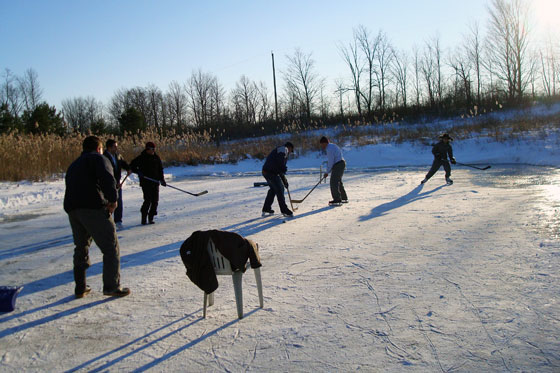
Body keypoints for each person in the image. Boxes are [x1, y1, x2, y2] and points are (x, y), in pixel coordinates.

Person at [64, 136, 131, 298]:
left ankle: (80, 287)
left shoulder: (74, 164)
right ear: (98, 148)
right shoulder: (98, 159)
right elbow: (108, 179)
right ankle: (111, 286)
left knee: (81, 246)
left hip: (73, 209)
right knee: (111, 247)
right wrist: (113, 201)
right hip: (93, 208)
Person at [130, 141, 166, 225]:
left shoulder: (156, 157)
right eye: (151, 149)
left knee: (155, 201)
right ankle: (144, 218)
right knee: (148, 200)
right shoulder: (141, 157)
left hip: (155, 182)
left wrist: (162, 179)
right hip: (146, 183)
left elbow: (160, 170)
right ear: (147, 149)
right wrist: (138, 172)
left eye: (154, 149)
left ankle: (151, 217)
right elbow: (132, 165)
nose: (153, 150)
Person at [103, 139, 131, 229]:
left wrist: (128, 168)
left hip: (117, 183)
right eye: (114, 146)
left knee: (118, 202)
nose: (116, 148)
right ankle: (106, 221)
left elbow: (123, 163)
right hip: (108, 184)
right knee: (109, 203)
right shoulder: (104, 157)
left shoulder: (117, 156)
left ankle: (118, 221)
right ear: (109, 147)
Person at [261, 142, 294, 216]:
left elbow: (280, 170)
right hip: (270, 172)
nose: (290, 152)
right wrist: (284, 168)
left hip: (266, 171)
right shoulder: (283, 149)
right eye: (291, 150)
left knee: (273, 189)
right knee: (280, 189)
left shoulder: (281, 151)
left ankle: (266, 208)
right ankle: (284, 210)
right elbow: (280, 164)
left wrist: (284, 181)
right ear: (289, 147)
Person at [320, 136, 348, 205]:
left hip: (338, 164)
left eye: (322, 144)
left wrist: (327, 172)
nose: (321, 146)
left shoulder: (329, 149)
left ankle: (337, 199)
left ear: (325, 143)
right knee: (338, 181)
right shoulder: (332, 146)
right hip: (341, 163)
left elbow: (330, 161)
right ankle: (343, 198)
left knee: (334, 181)